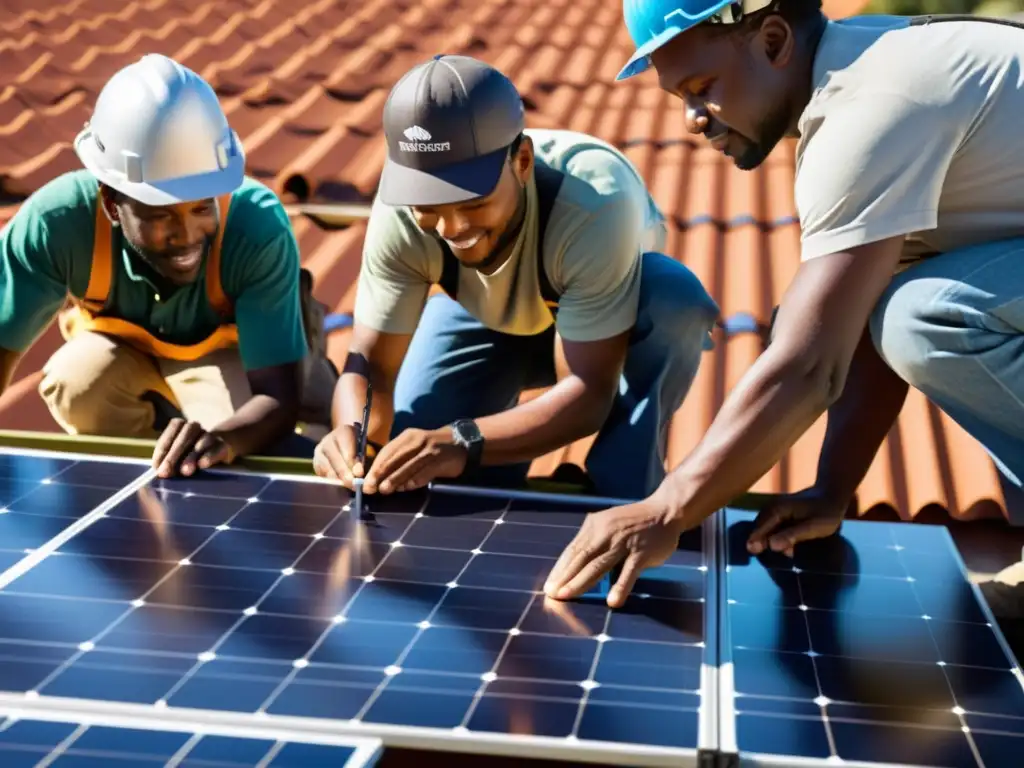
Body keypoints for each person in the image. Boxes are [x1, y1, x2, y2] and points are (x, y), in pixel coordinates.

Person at [543, 1, 1024, 609]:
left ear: (773, 41)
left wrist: (668, 505)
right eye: (679, 97)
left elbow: (808, 365)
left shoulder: (870, 108)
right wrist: (832, 490)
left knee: (926, 316)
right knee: (905, 310)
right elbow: (857, 325)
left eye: (702, 88)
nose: (692, 119)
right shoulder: (864, 68)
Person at [312, 54, 719, 500]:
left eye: (471, 202)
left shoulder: (594, 202)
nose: (452, 229)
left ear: (521, 161)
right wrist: (353, 431)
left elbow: (587, 392)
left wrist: (463, 440)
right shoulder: (399, 211)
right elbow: (370, 362)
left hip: (605, 330)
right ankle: (494, 478)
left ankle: (619, 491)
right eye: (429, 209)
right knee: (416, 455)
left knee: (674, 299)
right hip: (483, 309)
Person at [0, 54, 335, 478]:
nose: (188, 235)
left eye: (201, 207)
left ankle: (192, 451)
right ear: (112, 203)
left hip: (237, 354)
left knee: (255, 447)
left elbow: (275, 401)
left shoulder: (256, 226)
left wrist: (223, 440)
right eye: (160, 215)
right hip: (125, 355)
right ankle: (157, 466)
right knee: (75, 382)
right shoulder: (56, 223)